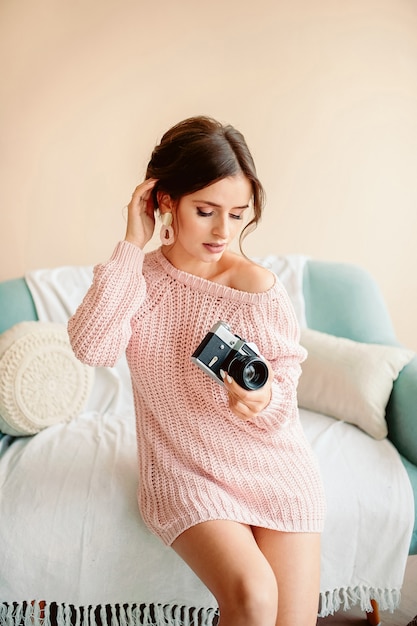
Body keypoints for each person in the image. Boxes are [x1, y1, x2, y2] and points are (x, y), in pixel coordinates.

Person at [68, 116, 326, 626]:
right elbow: (92, 347)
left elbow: (283, 391)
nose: (223, 232)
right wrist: (130, 243)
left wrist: (262, 398)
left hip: (276, 467)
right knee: (253, 597)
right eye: (205, 211)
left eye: (237, 214)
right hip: (187, 472)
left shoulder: (257, 286)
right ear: (165, 201)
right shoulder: (138, 280)